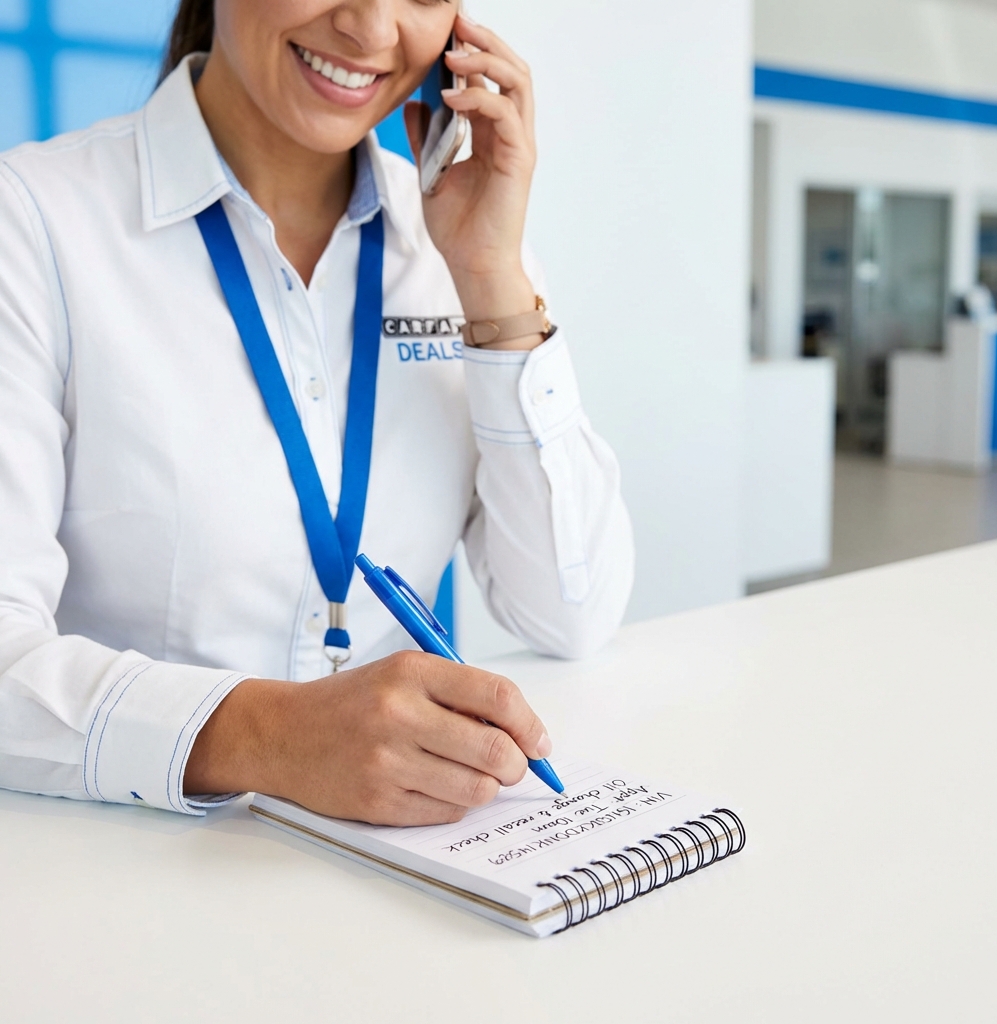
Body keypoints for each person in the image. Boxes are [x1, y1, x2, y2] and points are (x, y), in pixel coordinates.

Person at [0, 0, 633, 826]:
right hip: (122, 872)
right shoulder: (36, 223)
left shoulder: (455, 236)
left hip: (402, 874)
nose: (371, 31)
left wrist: (492, 281)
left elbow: (569, 613)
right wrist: (271, 736)